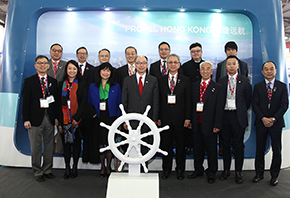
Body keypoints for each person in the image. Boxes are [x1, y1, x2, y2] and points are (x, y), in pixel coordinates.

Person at [188, 61, 225, 183]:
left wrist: (217, 124)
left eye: (208, 69)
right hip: (196, 123)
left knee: (211, 150)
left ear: (212, 71)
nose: (205, 71)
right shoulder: (193, 86)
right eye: (202, 68)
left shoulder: (218, 87)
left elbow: (220, 108)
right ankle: (198, 170)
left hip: (210, 124)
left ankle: (211, 172)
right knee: (197, 149)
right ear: (199, 71)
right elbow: (190, 105)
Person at [22, 55, 58, 182]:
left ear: (48, 66)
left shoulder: (53, 81)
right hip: (34, 119)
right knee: (36, 147)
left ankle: (47, 169)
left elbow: (56, 102)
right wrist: (26, 119)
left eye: (44, 63)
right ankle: (37, 171)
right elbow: (25, 102)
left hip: (50, 118)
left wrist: (56, 118)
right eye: (39, 63)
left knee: (49, 146)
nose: (42, 65)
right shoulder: (29, 81)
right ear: (35, 65)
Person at [252, 61, 289, 186]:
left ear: (275, 71)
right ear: (262, 72)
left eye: (271, 69)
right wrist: (263, 118)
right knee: (260, 149)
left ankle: (274, 175)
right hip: (261, 122)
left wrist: (273, 118)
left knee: (277, 150)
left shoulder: (283, 86)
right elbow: (255, 104)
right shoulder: (257, 86)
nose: (269, 71)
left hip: (276, 123)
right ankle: (259, 173)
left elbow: (285, 105)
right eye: (266, 69)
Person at [218, 55, 252, 184]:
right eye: (229, 64)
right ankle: (226, 170)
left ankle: (238, 172)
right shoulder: (221, 81)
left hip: (238, 117)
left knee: (238, 146)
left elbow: (248, 101)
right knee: (225, 145)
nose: (231, 66)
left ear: (238, 66)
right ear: (225, 67)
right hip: (225, 117)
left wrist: (241, 110)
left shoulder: (245, 81)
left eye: (234, 64)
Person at [158, 54, 191, 180]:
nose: (172, 64)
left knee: (181, 146)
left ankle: (180, 170)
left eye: (175, 62)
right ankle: (166, 169)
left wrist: (188, 118)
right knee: (166, 146)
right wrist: (158, 117)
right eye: (170, 62)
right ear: (167, 64)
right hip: (165, 119)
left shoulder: (185, 80)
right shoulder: (160, 80)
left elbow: (188, 101)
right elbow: (159, 101)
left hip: (181, 119)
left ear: (179, 64)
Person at [87, 62, 122, 177]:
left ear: (111, 73)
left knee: (110, 143)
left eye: (108, 70)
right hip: (98, 118)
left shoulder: (115, 86)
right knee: (100, 143)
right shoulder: (92, 86)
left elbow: (119, 104)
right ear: (99, 72)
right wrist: (91, 113)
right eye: (103, 70)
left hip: (111, 117)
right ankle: (102, 166)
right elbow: (89, 103)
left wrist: (119, 121)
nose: (105, 73)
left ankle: (109, 167)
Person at [122, 55, 159, 158]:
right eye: (138, 63)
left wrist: (154, 119)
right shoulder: (127, 80)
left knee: (145, 146)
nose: (141, 65)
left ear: (147, 65)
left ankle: (144, 168)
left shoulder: (153, 80)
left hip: (148, 119)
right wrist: (125, 120)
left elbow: (156, 101)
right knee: (132, 145)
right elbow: (124, 101)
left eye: (143, 63)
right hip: (131, 118)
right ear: (135, 65)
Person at [59, 60, 87, 180]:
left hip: (77, 120)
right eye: (69, 68)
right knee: (66, 145)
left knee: (76, 145)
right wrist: (60, 119)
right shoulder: (61, 84)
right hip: (64, 119)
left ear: (77, 71)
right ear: (66, 70)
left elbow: (84, 102)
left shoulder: (82, 83)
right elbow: (57, 103)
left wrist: (76, 118)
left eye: (74, 69)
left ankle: (75, 167)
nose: (72, 71)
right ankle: (67, 168)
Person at [181, 42, 204, 155]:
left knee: (203, 122)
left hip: (204, 99)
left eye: (198, 51)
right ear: (190, 53)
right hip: (190, 98)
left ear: (201, 52)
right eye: (193, 51)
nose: (196, 53)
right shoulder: (185, 66)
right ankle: (189, 145)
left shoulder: (205, 65)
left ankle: (202, 147)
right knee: (189, 122)